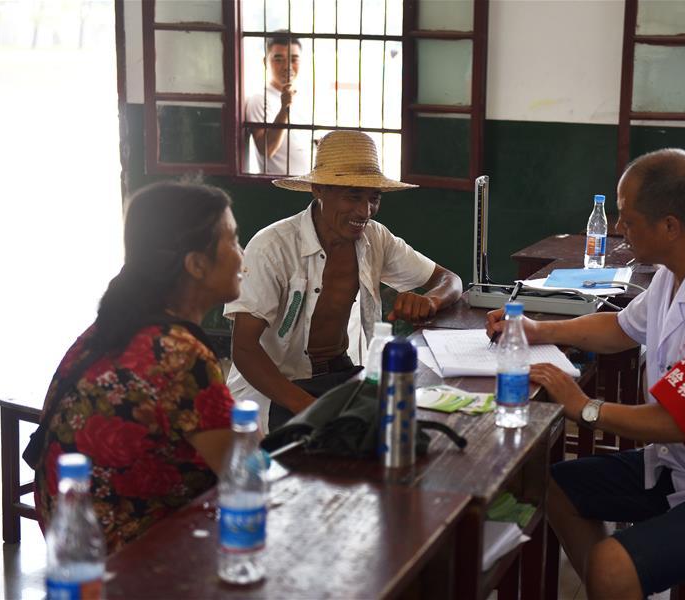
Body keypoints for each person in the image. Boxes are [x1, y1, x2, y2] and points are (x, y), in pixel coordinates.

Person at [486, 149, 685, 599]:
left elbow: (678, 421)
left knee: (611, 565)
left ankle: (614, 580)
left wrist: (585, 408)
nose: (620, 229)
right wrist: (537, 328)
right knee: (554, 486)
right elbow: (620, 327)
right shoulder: (677, 272)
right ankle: (614, 587)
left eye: (627, 218)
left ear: (670, 226)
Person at [31, 181, 243, 552]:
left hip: (72, 540)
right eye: (233, 240)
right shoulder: (177, 352)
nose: (242, 257)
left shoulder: (112, 325)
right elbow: (243, 471)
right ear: (196, 264)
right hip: (129, 558)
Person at [225, 130, 462, 433]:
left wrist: (430, 300)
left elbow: (450, 280)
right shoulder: (273, 247)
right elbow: (244, 349)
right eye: (352, 196)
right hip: (277, 389)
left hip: (340, 375)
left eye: (373, 198)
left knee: (411, 424)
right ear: (318, 189)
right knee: (339, 450)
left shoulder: (375, 238)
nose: (364, 212)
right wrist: (310, 409)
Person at [244, 33, 309, 175]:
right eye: (279, 59)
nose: (287, 66)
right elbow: (267, 150)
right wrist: (285, 108)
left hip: (307, 187)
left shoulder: (303, 99)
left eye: (294, 59)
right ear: (265, 62)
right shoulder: (259, 99)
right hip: (278, 190)